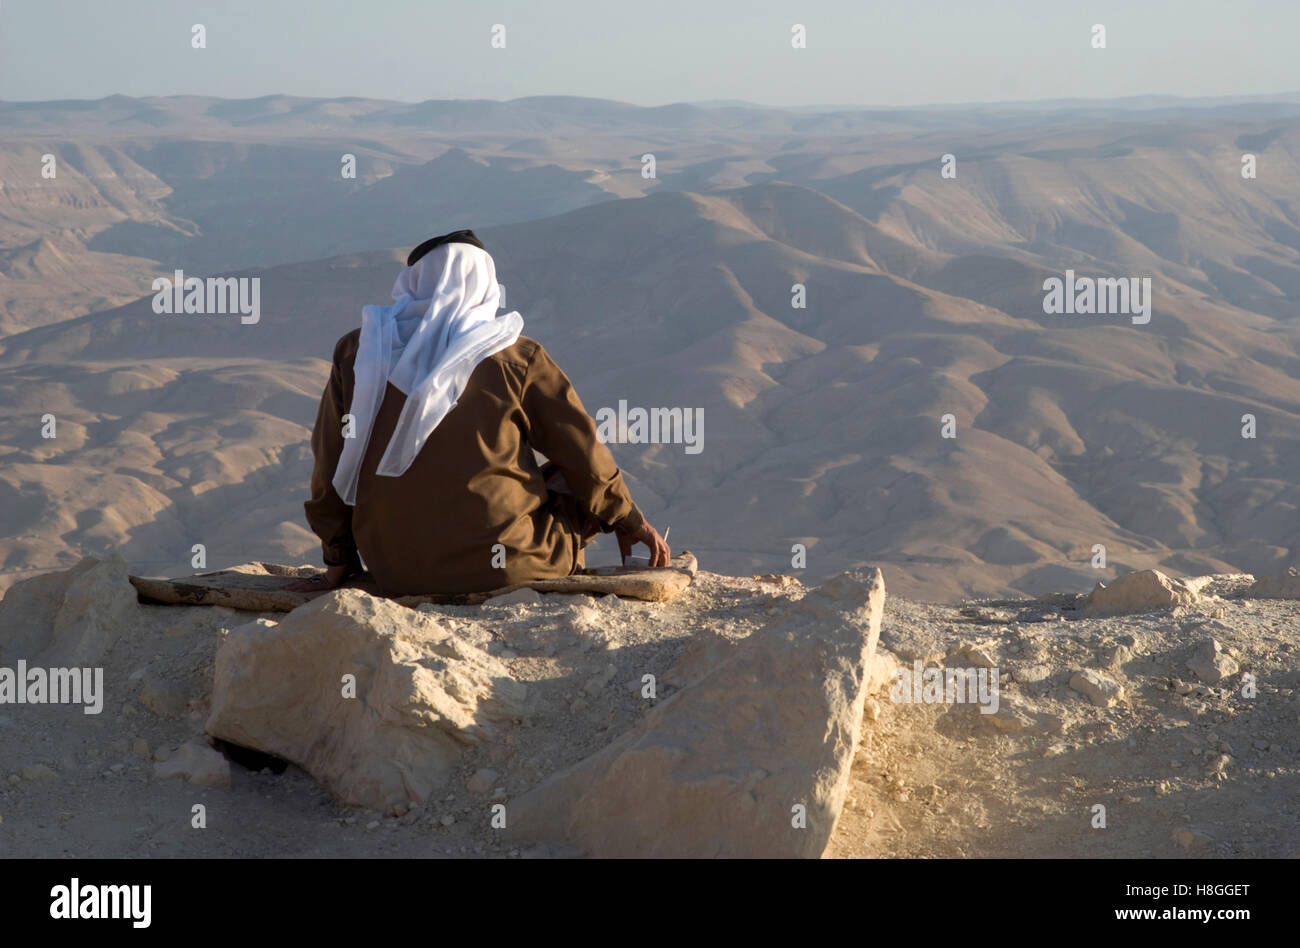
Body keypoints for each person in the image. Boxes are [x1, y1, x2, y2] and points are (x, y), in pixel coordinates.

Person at [286, 229, 669, 596]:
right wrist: (628, 520)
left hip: (396, 570)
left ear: (412, 282)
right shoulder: (516, 356)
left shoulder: (359, 351)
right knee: (568, 478)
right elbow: (583, 454)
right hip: (510, 563)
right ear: (486, 284)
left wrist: (337, 558)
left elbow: (331, 461)